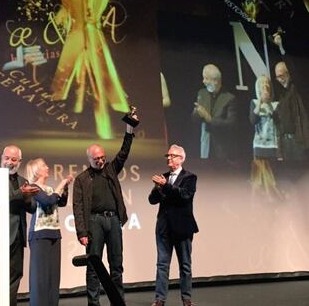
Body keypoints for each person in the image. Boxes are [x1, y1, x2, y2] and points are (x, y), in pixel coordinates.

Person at [73, 112, 138, 306]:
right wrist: (81, 232)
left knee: (116, 265)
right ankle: (94, 303)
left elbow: (124, 153)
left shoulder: (110, 170)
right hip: (94, 223)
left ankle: (118, 301)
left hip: (113, 221)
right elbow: (77, 207)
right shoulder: (82, 179)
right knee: (94, 266)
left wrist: (129, 129)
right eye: (97, 159)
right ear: (89, 159)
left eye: (102, 157)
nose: (101, 161)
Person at [149, 144, 198, 306]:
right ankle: (160, 300)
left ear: (181, 159)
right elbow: (152, 200)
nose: (169, 158)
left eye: (172, 155)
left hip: (182, 228)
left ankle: (186, 299)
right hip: (164, 228)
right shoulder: (163, 177)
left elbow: (184, 196)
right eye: (167, 156)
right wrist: (157, 189)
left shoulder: (190, 177)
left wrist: (165, 186)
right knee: (162, 265)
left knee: (185, 265)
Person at [25, 158, 73, 306]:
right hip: (39, 235)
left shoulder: (51, 189)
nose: (47, 168)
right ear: (37, 170)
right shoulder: (33, 187)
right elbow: (48, 201)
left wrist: (65, 188)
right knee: (40, 277)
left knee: (53, 276)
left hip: (54, 234)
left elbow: (61, 202)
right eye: (44, 166)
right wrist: (62, 183)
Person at [1, 145, 39, 306]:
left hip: (17, 235)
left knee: (15, 274)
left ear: (19, 162)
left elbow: (31, 208)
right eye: (7, 158)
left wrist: (31, 196)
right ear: (1, 158)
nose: (9, 162)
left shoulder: (23, 181)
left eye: (14, 159)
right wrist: (20, 193)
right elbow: (1, 199)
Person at [273, 34, 309, 161]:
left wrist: (281, 47)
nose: (280, 79)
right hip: (288, 143)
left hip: (301, 141)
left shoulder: (298, 87)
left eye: (282, 75)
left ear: (289, 74)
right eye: (277, 77)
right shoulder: (282, 94)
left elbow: (293, 69)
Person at [192, 64, 237, 160]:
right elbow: (194, 119)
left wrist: (209, 118)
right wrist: (197, 112)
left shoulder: (229, 98)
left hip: (221, 147)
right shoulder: (202, 93)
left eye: (206, 78)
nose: (203, 81)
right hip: (204, 146)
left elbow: (231, 124)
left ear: (216, 81)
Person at [249, 75, 283, 200]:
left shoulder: (275, 105)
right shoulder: (254, 103)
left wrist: (268, 105)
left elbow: (278, 121)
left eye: (267, 86)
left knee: (272, 176)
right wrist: (260, 104)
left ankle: (274, 200)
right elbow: (253, 120)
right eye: (262, 87)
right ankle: (259, 201)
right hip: (259, 145)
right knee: (259, 177)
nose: (265, 89)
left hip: (273, 144)